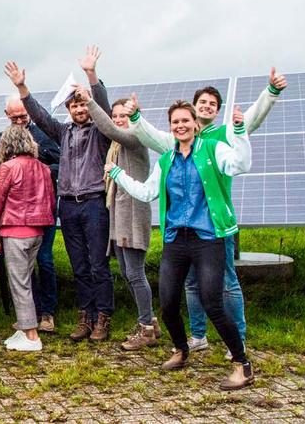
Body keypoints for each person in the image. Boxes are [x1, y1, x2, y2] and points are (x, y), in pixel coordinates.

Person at [126, 68, 287, 357]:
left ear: (216, 111)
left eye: (213, 104)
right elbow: (152, 137)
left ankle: (236, 340)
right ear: (193, 106)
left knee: (226, 282)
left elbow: (250, 120)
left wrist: (270, 93)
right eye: (203, 102)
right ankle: (198, 336)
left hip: (214, 226)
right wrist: (136, 118)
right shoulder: (176, 140)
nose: (207, 106)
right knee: (189, 283)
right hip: (181, 232)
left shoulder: (222, 137)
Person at [107, 100, 254, 391]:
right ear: (171, 126)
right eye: (175, 122)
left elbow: (241, 163)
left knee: (213, 302)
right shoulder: (166, 160)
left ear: (195, 124)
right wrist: (117, 174)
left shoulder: (213, 150)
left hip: (208, 239)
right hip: (176, 240)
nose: (181, 126)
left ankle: (242, 364)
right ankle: (180, 349)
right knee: (169, 302)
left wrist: (239, 131)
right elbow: (147, 192)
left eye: (185, 121)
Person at [5, 46, 116, 342]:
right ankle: (85, 315)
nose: (79, 110)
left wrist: (91, 75)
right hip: (67, 205)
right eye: (74, 106)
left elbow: (102, 108)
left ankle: (103, 317)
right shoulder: (63, 133)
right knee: (79, 264)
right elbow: (39, 116)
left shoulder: (101, 132)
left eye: (82, 105)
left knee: (98, 264)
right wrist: (22, 87)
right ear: (68, 110)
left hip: (94, 203)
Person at [74, 86, 158, 350]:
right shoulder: (117, 147)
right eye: (116, 115)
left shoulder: (134, 139)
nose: (119, 120)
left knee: (134, 273)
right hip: (119, 216)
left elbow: (109, 129)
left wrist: (89, 101)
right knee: (126, 272)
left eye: (124, 115)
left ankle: (146, 328)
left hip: (132, 215)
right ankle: (149, 322)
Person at [0, 95, 61, 333]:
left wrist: (37, 173)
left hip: (43, 210)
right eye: (15, 116)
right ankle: (29, 313)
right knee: (20, 271)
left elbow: (63, 165)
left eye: (23, 116)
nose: (19, 120)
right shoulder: (1, 139)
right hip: (14, 216)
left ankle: (47, 313)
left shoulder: (45, 134)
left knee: (44, 260)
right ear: (7, 115)